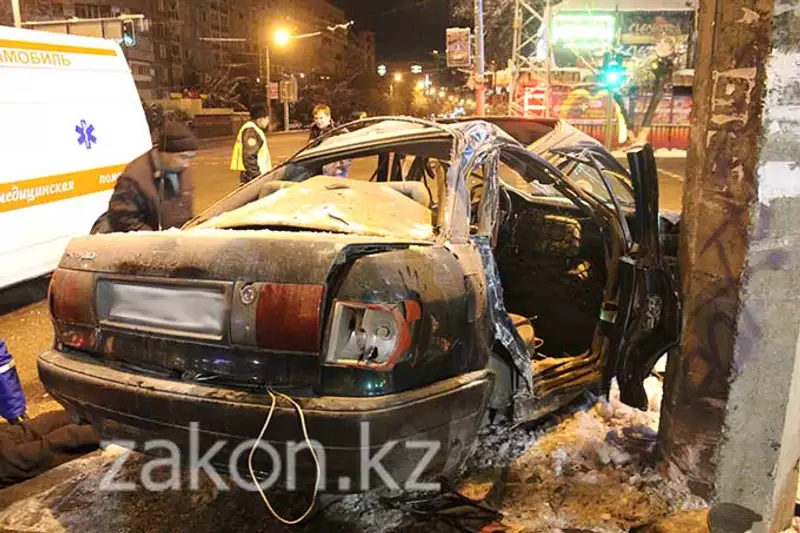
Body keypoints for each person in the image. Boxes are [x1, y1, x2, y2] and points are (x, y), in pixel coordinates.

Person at [92, 120, 197, 234]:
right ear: (164, 153)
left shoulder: (181, 170)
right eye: (183, 157)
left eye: (191, 158)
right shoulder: (134, 178)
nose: (187, 164)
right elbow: (122, 218)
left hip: (178, 241)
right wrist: (155, 238)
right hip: (151, 246)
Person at [230, 106, 273, 185]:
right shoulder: (251, 130)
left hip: (254, 175)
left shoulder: (254, 129)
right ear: (260, 119)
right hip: (252, 177)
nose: (267, 122)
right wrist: (257, 177)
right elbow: (249, 156)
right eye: (267, 119)